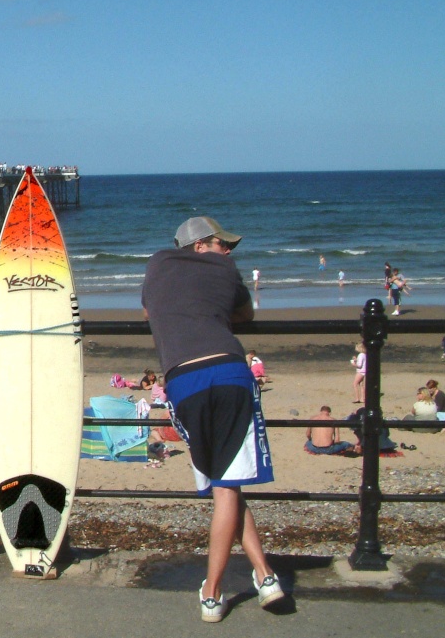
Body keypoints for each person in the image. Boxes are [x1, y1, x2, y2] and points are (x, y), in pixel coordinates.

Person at [142, 216, 283, 622]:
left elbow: (152, 311)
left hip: (182, 379)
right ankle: (214, 591)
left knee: (226, 484)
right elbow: (245, 315)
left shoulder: (158, 265)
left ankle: (264, 575)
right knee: (227, 488)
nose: (229, 251)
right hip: (228, 371)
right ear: (201, 245)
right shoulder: (225, 269)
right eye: (224, 243)